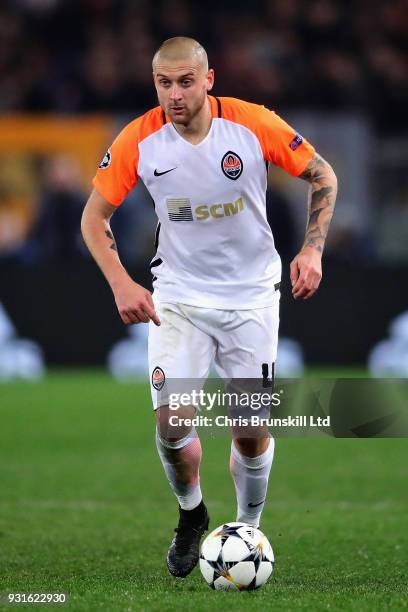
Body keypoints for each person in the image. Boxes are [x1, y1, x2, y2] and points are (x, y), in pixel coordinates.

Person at [81, 36, 337, 579]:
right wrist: (122, 284)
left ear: (209, 79)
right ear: (155, 84)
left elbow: (323, 175)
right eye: (164, 83)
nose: (175, 94)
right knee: (173, 426)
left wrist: (312, 248)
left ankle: (248, 527)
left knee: (249, 429)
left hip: (250, 296)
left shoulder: (251, 124)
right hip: (178, 297)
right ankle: (193, 513)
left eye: (185, 81)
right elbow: (93, 217)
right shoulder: (139, 139)